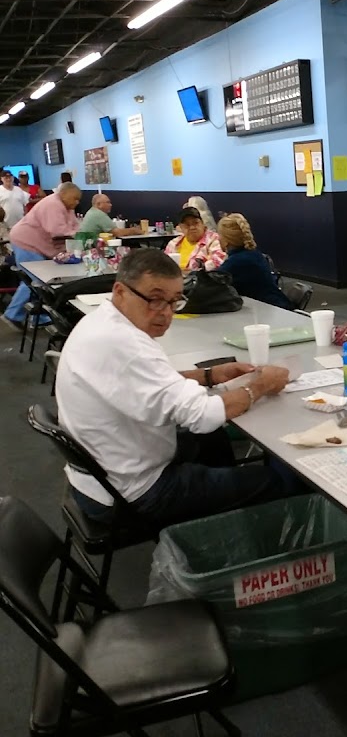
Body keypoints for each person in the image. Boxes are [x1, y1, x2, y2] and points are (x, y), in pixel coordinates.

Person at [55, 248, 291, 529]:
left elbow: (147, 380)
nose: (165, 314)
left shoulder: (101, 323)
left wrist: (210, 375)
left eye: (174, 302)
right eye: (154, 300)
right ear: (120, 291)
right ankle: (243, 538)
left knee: (213, 441)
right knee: (278, 480)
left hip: (105, 473)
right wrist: (261, 385)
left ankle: (219, 521)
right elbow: (203, 415)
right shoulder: (124, 343)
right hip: (133, 492)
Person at [2, 183, 81, 329]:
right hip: (26, 242)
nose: (76, 202)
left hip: (37, 243)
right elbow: (57, 231)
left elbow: (75, 226)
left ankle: (37, 317)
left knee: (38, 281)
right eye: (74, 199)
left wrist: (78, 233)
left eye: (78, 200)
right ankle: (13, 314)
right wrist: (78, 235)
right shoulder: (53, 204)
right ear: (63, 194)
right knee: (35, 280)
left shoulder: (66, 206)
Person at [217, 213, 293, 309]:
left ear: (227, 240)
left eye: (219, 235)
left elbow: (208, 286)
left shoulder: (237, 262)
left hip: (273, 311)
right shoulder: (252, 255)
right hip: (274, 307)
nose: (218, 238)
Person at [164, 206, 226, 271]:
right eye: (187, 225)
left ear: (202, 223)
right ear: (180, 228)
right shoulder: (173, 244)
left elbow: (218, 261)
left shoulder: (214, 239)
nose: (192, 227)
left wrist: (191, 271)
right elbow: (163, 265)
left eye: (196, 223)